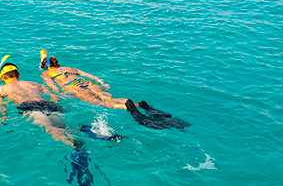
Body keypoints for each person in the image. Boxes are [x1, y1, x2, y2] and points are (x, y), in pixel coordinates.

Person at [39, 50, 190, 129]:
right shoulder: (69, 68)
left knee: (102, 104)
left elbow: (53, 87)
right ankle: (137, 104)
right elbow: (91, 76)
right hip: (84, 82)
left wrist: (58, 96)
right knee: (106, 97)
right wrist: (102, 83)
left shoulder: (46, 73)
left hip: (72, 86)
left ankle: (128, 107)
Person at [0, 61, 78, 147]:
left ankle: (76, 147)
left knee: (50, 129)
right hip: (48, 104)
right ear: (18, 75)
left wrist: (3, 119)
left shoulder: (1, 89)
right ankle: (81, 131)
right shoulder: (33, 84)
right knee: (64, 127)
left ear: (3, 78)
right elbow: (53, 95)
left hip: (31, 107)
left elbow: (0, 106)